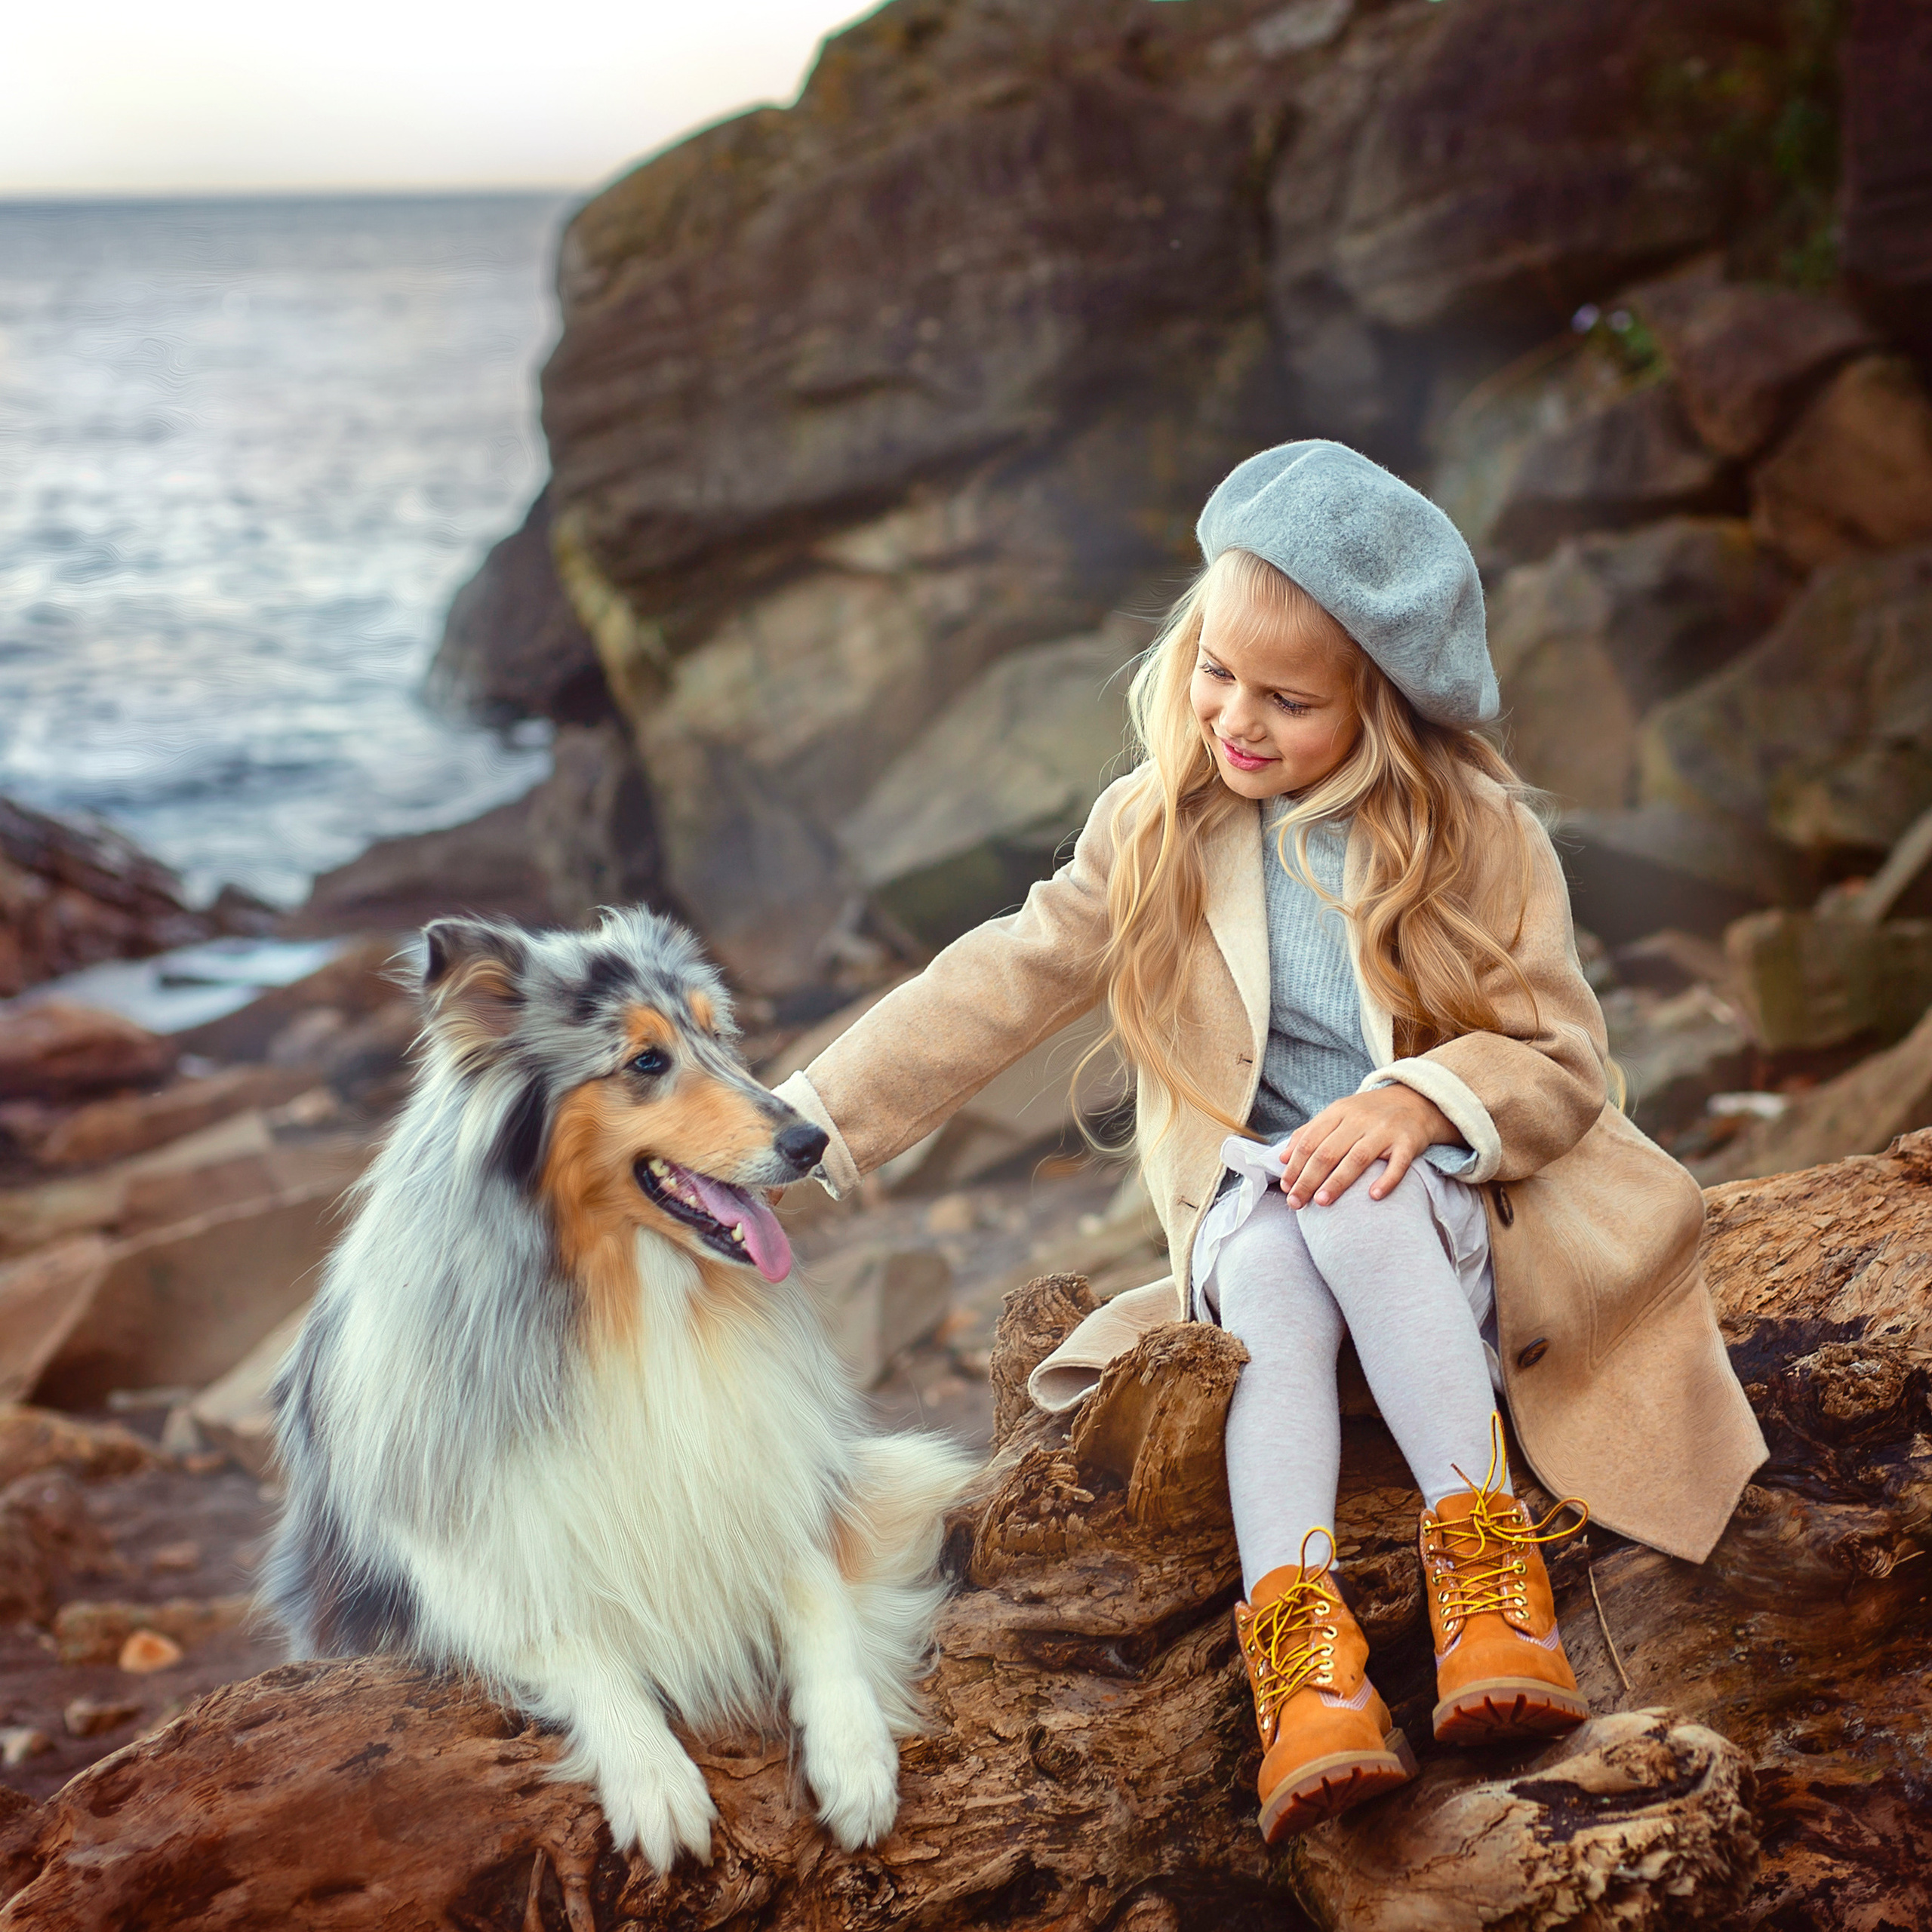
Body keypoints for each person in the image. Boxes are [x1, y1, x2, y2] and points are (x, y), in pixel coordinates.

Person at [773, 439, 1766, 1844]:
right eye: (1215, 672)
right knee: (1278, 1275)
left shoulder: (1474, 834)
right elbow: (1002, 972)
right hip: (1259, 1214)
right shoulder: (1162, 822)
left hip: (1453, 1219)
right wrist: (814, 1113)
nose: (1236, 719)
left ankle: (1489, 1583)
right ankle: (1304, 1667)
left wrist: (1420, 1101)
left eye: (1290, 701)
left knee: (1355, 1200)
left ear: (1384, 709)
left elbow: (1564, 1065)